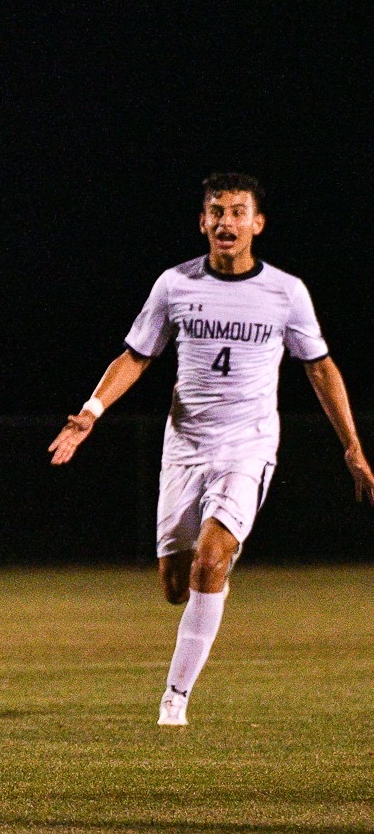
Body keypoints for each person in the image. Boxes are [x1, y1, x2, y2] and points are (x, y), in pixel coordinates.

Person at [48, 173, 374, 726]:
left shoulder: (286, 292)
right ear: (203, 222)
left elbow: (319, 367)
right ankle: (214, 560)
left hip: (247, 445)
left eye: (238, 212)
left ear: (258, 223)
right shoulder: (174, 285)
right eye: (216, 212)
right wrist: (90, 414)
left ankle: (175, 698)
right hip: (185, 445)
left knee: (209, 559)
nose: (227, 222)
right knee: (176, 585)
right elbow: (136, 355)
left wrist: (353, 447)